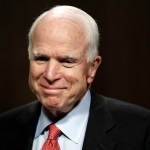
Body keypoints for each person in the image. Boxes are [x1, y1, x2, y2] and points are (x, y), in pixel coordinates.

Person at [0, 5, 150, 150]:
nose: (50, 75)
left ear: (92, 68)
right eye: (41, 58)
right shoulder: (5, 127)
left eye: (67, 61)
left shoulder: (142, 129)